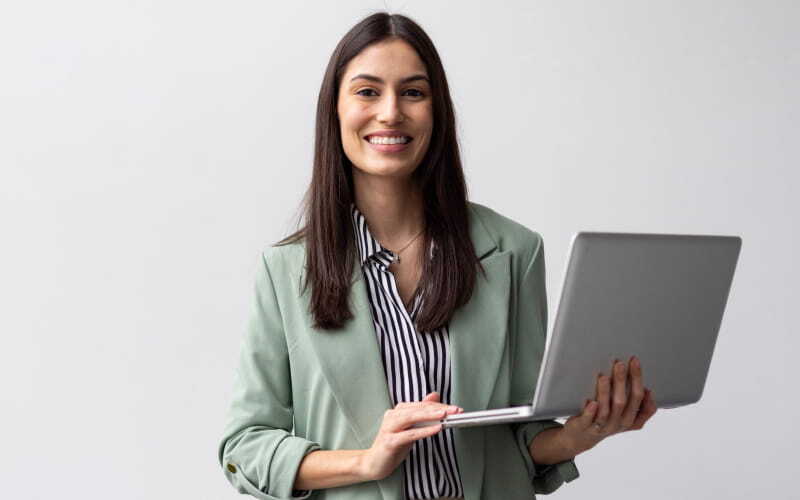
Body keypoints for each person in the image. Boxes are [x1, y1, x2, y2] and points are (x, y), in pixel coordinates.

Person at [217, 12, 658, 500]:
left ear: (437, 111)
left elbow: (523, 433)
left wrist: (582, 434)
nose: (390, 113)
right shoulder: (285, 270)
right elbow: (245, 448)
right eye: (367, 92)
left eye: (413, 92)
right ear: (335, 112)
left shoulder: (513, 251)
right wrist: (367, 460)